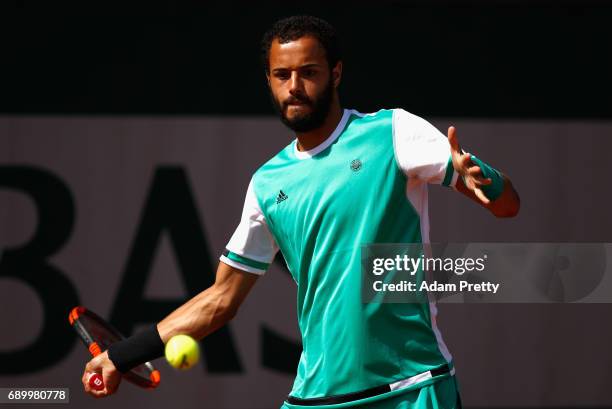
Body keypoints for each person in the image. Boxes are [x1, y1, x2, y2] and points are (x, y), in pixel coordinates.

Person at [82, 15, 520, 408]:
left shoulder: (392, 132)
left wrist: (485, 180)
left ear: (336, 73)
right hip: (315, 399)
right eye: (282, 74)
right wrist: (122, 356)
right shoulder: (267, 183)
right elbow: (220, 301)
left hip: (411, 389)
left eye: (308, 73)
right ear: (270, 81)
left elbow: (507, 205)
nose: (294, 86)